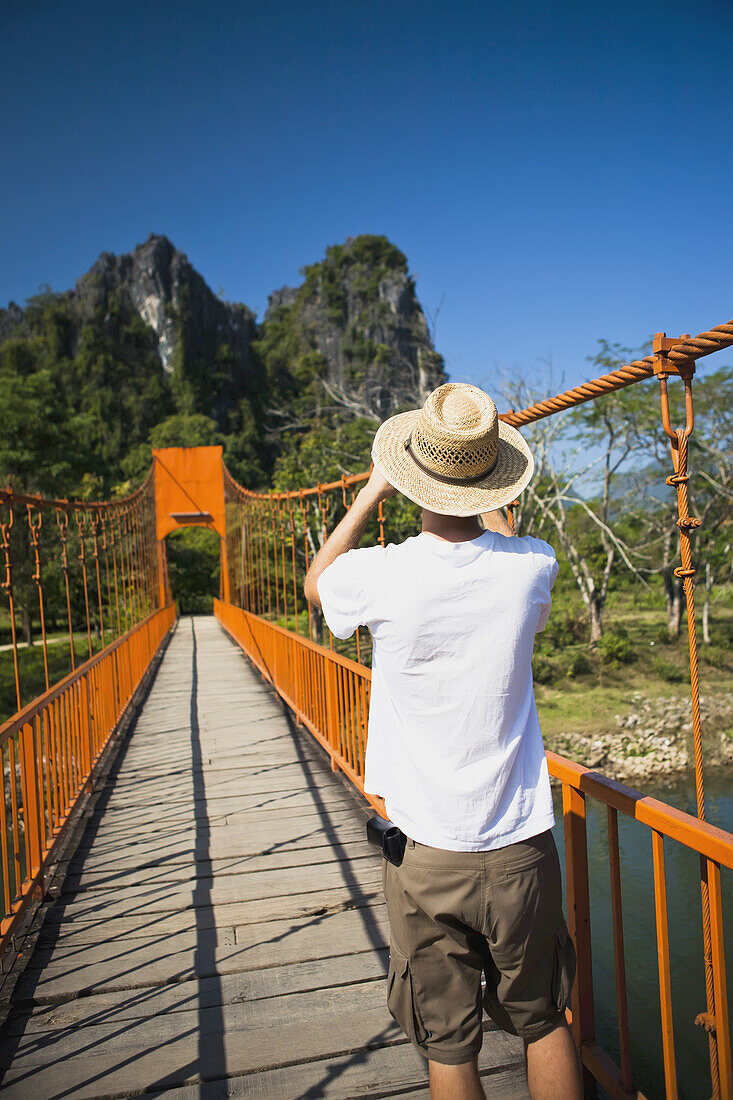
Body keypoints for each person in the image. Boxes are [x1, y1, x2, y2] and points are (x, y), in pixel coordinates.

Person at [303, 382, 582, 1100]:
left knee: (449, 1042)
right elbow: (503, 533)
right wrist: (483, 477)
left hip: (425, 855)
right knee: (544, 1020)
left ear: (409, 477)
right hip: (521, 847)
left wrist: (371, 490)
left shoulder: (376, 575)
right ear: (488, 480)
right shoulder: (531, 566)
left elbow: (314, 586)